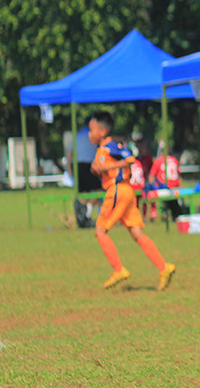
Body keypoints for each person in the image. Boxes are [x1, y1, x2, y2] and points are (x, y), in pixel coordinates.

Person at [88, 111, 176, 291]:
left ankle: (118, 269)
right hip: (127, 192)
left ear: (102, 131)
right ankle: (164, 267)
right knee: (137, 233)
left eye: (91, 130)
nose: (89, 134)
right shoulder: (103, 149)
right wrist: (97, 169)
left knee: (100, 231)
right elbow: (104, 168)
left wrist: (110, 166)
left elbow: (129, 158)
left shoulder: (111, 146)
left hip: (118, 191)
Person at [74, 118, 103, 228]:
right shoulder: (91, 134)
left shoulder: (78, 135)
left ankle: (82, 216)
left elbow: (70, 151)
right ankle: (87, 212)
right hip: (88, 165)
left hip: (77, 165)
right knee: (99, 190)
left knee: (84, 193)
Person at [148, 148, 183, 219]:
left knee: (169, 202)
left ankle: (166, 213)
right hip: (174, 186)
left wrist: (151, 186)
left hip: (164, 186)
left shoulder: (159, 161)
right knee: (173, 202)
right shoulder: (174, 160)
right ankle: (174, 214)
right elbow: (179, 176)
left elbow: (152, 175)